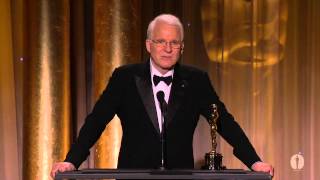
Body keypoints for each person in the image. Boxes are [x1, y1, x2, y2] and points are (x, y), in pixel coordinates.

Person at [51, 14, 274, 178]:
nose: (167, 48)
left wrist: (254, 161)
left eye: (174, 42)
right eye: (161, 41)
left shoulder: (196, 80)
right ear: (149, 45)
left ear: (181, 47)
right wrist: (72, 160)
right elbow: (96, 121)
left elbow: (223, 121)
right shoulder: (125, 78)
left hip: (179, 177)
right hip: (133, 177)